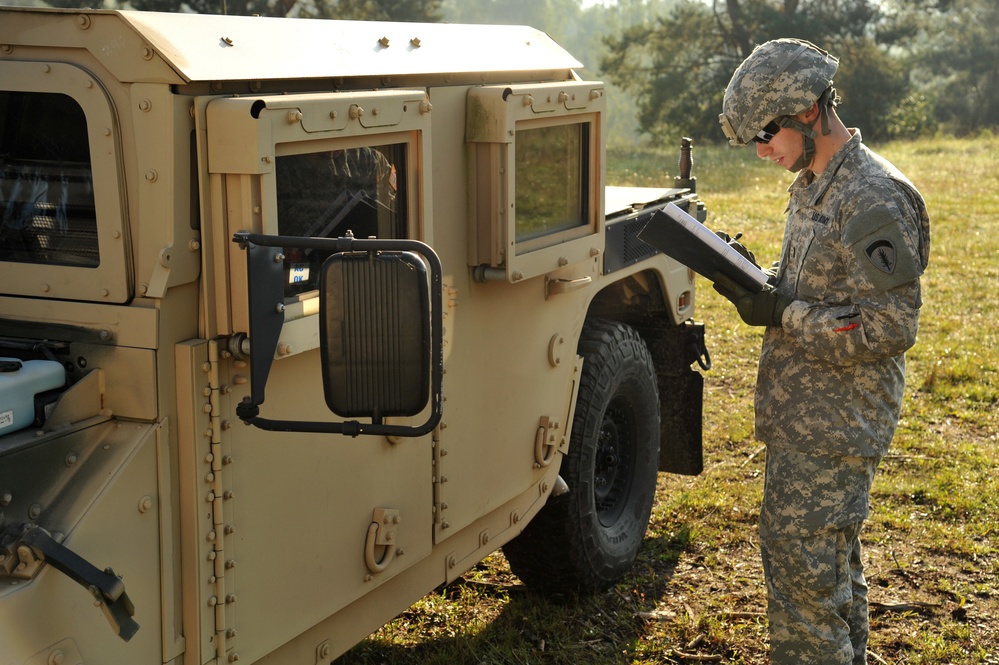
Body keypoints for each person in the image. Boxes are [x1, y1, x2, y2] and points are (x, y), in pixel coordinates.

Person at [713, 38, 931, 664]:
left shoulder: (870, 197)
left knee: (804, 592)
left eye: (766, 132)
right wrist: (758, 282)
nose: (761, 151)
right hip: (809, 416)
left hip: (837, 422)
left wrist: (787, 313)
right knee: (828, 577)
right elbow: (819, 284)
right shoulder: (815, 181)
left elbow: (891, 325)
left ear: (808, 111)